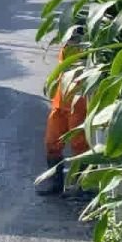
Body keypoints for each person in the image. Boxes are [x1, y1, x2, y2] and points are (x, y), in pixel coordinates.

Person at [36, 33, 89, 195]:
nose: (71, 38)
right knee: (52, 143)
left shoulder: (88, 51)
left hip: (79, 105)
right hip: (60, 103)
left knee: (80, 146)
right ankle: (56, 184)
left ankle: (83, 187)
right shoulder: (65, 49)